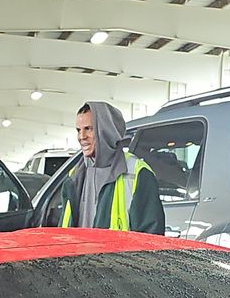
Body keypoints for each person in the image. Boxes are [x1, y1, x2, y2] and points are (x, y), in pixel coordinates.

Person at [60, 101, 165, 235]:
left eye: (89, 129)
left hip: (119, 256)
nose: (81, 137)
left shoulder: (137, 173)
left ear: (106, 130)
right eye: (78, 130)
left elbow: (152, 235)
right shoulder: (73, 177)